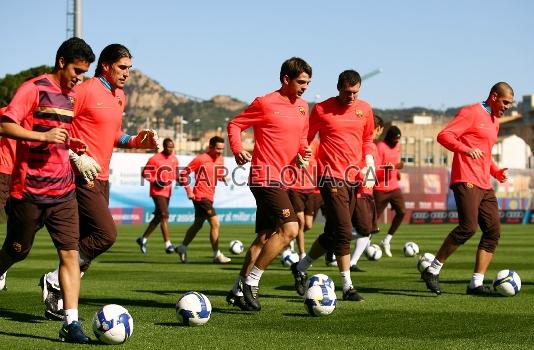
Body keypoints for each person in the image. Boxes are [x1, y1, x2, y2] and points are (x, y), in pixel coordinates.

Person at [39, 44, 159, 320]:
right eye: (122, 67)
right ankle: (54, 279)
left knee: (83, 243)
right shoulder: (85, 90)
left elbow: (115, 134)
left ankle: (58, 299)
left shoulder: (120, 97)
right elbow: (57, 125)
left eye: (130, 67)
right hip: (80, 175)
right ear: (105, 65)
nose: (128, 73)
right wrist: (73, 157)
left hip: (102, 177)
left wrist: (135, 141)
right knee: (106, 235)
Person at [0, 37, 95, 343]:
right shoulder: (34, 88)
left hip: (63, 192)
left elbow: (63, 135)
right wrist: (43, 137)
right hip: (29, 191)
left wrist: (74, 148)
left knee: (69, 254)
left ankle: (70, 323)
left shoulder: (73, 96)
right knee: (18, 250)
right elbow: (5, 125)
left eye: (84, 72)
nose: (79, 77)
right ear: (61, 62)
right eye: (77, 70)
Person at [225, 57, 312, 311]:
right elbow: (235, 124)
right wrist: (238, 148)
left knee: (263, 237)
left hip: (284, 179)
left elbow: (302, 138)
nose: (305, 87)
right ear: (286, 79)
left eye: (308, 82)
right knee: (291, 229)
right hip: (264, 177)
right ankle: (252, 282)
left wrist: (303, 151)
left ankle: (236, 289)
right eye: (301, 82)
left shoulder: (303, 107)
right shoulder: (265, 103)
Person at [421, 82, 513, 296]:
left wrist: (497, 172)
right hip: (465, 179)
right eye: (506, 102)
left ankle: (475, 284)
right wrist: (466, 149)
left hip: (484, 183)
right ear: (493, 96)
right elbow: (444, 135)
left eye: (510, 103)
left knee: (493, 231)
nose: (508, 107)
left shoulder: (494, 121)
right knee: (468, 227)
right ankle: (432, 270)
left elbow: (485, 155)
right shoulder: (470, 112)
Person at [290, 69, 375, 302]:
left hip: (354, 178)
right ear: (338, 88)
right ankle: (347, 286)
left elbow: (368, 139)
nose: (351, 97)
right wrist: (302, 154)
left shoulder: (365, 109)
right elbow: (304, 136)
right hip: (330, 177)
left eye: (356, 92)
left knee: (333, 233)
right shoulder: (321, 109)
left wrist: (369, 161)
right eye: (348, 92)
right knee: (345, 231)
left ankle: (299, 268)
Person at [175, 136, 231, 264]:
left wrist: (222, 177)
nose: (220, 152)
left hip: (210, 196)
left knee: (198, 225)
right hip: (200, 196)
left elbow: (218, 173)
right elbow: (183, 174)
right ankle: (217, 254)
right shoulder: (201, 159)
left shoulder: (221, 159)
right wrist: (189, 191)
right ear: (210, 147)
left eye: (222, 149)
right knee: (215, 223)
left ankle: (182, 248)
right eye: (217, 149)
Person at [349, 114, 384, 271]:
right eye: (378, 130)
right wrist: (364, 176)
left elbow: (374, 172)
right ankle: (333, 241)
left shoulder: (371, 146)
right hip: (361, 192)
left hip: (366, 192)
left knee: (367, 231)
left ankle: (351, 261)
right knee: (365, 231)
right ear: (377, 128)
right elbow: (356, 166)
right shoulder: (364, 145)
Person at [136, 138, 179, 254]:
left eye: (172, 147)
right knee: (165, 215)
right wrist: (156, 181)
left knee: (159, 216)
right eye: (168, 147)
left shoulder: (174, 159)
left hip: (168, 192)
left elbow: (176, 174)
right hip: (157, 191)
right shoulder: (154, 159)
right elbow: (145, 173)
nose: (170, 149)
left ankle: (143, 239)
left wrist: (182, 179)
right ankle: (168, 244)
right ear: (164, 147)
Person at [373, 125, 406, 257]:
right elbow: (376, 170)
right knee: (372, 221)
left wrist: (397, 172)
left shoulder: (397, 146)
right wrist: (393, 167)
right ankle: (365, 245)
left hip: (394, 186)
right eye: (395, 139)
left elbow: (396, 161)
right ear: (389, 137)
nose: (396, 142)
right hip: (380, 187)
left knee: (402, 211)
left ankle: (386, 240)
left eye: (398, 140)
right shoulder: (380, 147)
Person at [287, 137, 322, 258]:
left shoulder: (316, 143)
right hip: (295, 188)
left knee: (308, 225)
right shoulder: (294, 139)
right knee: (300, 222)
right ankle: (302, 254)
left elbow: (319, 160)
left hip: (310, 189)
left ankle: (290, 236)